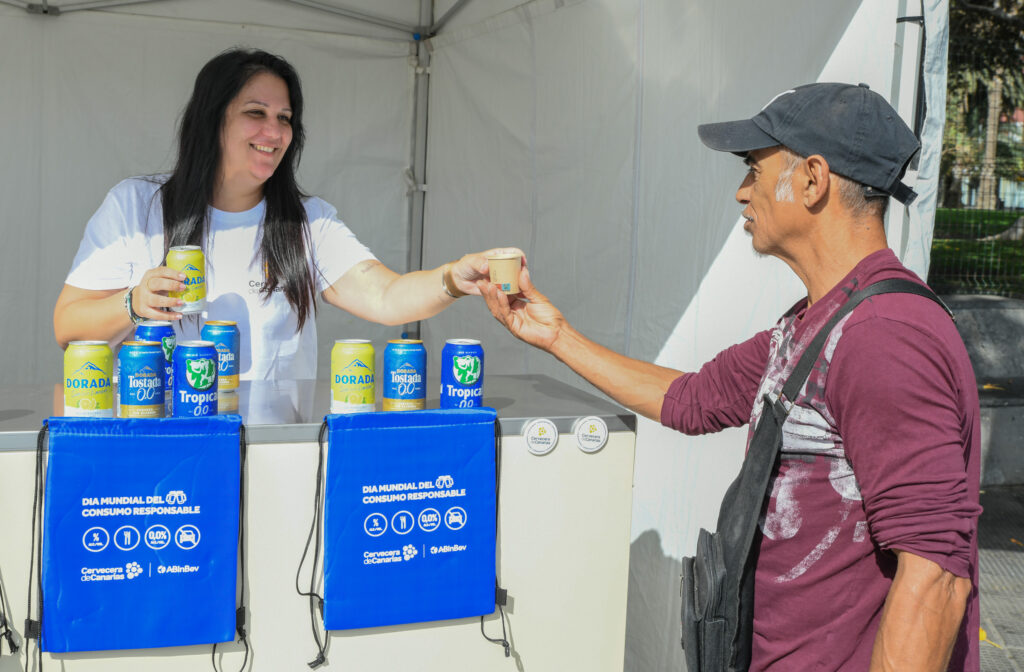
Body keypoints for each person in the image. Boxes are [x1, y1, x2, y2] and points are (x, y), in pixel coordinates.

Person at [480, 83, 980, 671]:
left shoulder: (883, 336)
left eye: (753, 168)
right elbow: (692, 400)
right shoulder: (819, 321)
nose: (742, 193)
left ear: (813, 180)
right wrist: (555, 336)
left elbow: (935, 578)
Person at [53, 48, 519, 380]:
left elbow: (387, 296)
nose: (274, 132)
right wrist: (133, 303)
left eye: (285, 118)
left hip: (271, 450)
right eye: (256, 113)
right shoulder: (137, 206)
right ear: (212, 120)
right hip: (156, 442)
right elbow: (67, 326)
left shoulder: (307, 222)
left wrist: (454, 279)